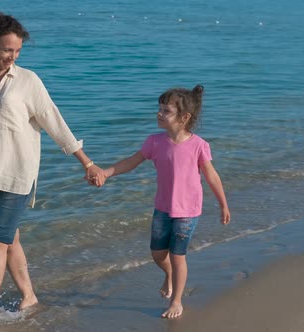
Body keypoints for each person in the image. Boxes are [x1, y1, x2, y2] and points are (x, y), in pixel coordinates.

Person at [0, 12, 105, 331]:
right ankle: (29, 296)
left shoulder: (28, 81)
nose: (12, 57)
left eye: (17, 51)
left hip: (19, 174)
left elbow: (56, 123)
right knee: (9, 239)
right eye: (6, 50)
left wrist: (87, 162)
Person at [93, 85, 231, 319]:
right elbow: (132, 161)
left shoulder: (198, 145)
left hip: (187, 211)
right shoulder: (154, 142)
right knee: (158, 254)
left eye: (165, 111)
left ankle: (177, 301)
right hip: (163, 208)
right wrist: (106, 173)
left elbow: (212, 176)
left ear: (184, 117)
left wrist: (223, 204)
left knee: (178, 256)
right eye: (159, 109)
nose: (159, 114)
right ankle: (168, 275)